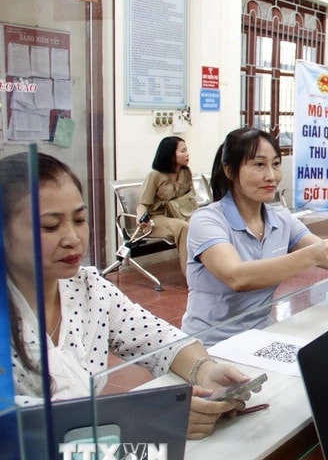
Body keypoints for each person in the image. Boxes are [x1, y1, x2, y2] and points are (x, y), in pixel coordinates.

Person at [0, 152, 254, 440]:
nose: (72, 238)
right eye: (50, 226)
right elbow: (17, 421)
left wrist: (205, 370)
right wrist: (140, 418)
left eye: (80, 219)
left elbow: (157, 338)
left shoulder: (89, 288)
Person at [181, 127, 328, 346]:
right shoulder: (207, 220)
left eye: (276, 164)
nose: (271, 176)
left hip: (260, 337)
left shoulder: (280, 218)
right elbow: (237, 277)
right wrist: (313, 255)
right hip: (209, 345)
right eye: (259, 165)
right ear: (229, 171)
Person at [136, 136, 194, 276]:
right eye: (183, 151)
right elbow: (142, 205)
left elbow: (190, 199)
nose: (187, 154)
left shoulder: (186, 172)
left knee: (202, 224)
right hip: (157, 218)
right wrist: (141, 218)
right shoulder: (154, 175)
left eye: (186, 150)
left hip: (181, 214)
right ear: (170, 154)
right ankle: (190, 274)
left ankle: (209, 269)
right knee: (184, 227)